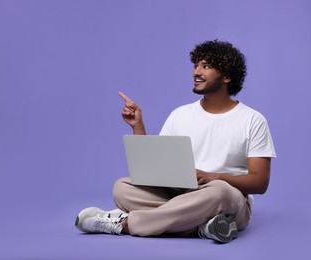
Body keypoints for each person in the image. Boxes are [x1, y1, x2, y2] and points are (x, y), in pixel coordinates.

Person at [75, 40, 276, 243]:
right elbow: (154, 169)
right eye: (196, 65)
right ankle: (204, 227)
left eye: (205, 66)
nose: (196, 72)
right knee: (122, 187)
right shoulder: (180, 114)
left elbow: (259, 183)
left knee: (220, 192)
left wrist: (216, 177)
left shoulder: (252, 120)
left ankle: (125, 224)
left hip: (228, 200)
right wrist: (138, 126)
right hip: (180, 195)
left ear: (227, 76)